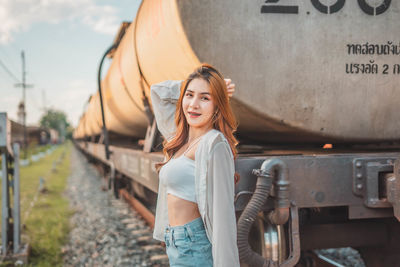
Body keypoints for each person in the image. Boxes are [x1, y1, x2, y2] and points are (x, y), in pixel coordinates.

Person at [150, 63, 240, 267]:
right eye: (189, 95)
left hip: (195, 244)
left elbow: (223, 218)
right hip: (176, 242)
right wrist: (192, 86)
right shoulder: (180, 138)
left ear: (218, 105)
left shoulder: (214, 143)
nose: (193, 105)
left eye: (205, 98)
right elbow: (157, 91)